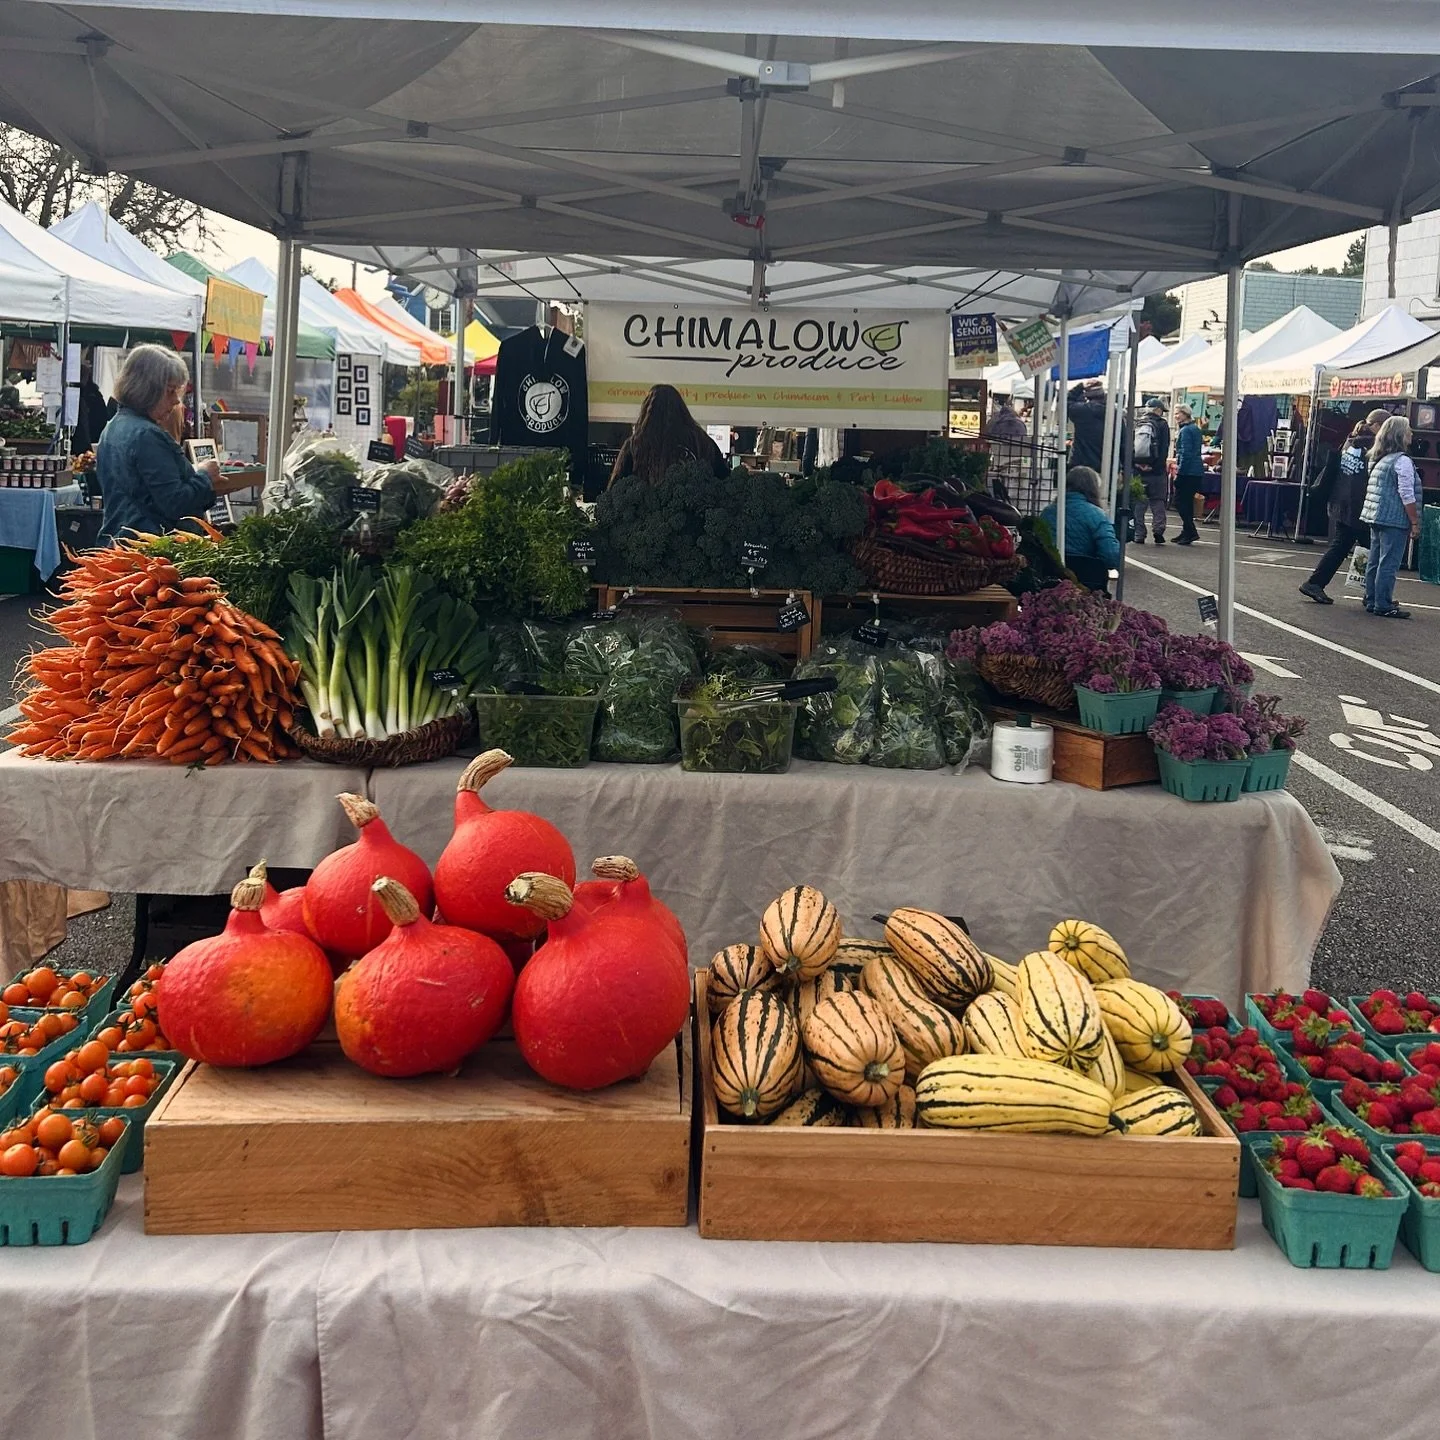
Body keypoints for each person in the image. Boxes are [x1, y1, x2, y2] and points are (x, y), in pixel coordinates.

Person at [95, 345, 243, 543]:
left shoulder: (113, 427)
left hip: (119, 540)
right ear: (146, 389)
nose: (176, 401)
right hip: (152, 550)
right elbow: (175, 503)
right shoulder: (147, 436)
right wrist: (205, 477)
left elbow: (148, 490)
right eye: (170, 391)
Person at [1299, 408, 1388, 605]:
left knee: (1344, 546)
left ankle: (1317, 583)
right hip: (1359, 505)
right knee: (1368, 550)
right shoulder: (1372, 446)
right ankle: (1369, 594)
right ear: (1378, 426)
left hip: (1342, 501)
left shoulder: (1351, 440)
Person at [1359, 414, 1421, 619]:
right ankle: (1383, 603)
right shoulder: (1402, 461)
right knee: (1389, 563)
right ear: (1400, 435)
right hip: (1393, 518)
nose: (1412, 433)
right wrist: (1414, 521)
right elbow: (1406, 493)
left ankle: (1372, 598)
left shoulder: (1380, 459)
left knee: (1375, 560)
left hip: (1375, 515)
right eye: (1408, 430)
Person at [609, 383, 728, 486]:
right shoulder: (703, 442)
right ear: (682, 410)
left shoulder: (635, 445)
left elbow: (615, 489)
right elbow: (725, 480)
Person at [1040, 465, 1120, 592]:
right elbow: (1111, 556)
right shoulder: (1097, 515)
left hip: (1048, 580)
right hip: (1088, 583)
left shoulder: (1047, 513)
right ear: (1094, 489)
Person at [1131, 397, 1171, 545]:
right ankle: (1158, 530)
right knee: (1157, 501)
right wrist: (1156, 466)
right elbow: (1164, 449)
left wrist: (1136, 465)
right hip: (1156, 472)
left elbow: (1130, 447)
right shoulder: (1162, 425)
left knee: (1139, 503)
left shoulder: (1137, 423)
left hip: (1138, 470)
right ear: (1157, 410)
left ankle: (1139, 533)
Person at [1171, 404, 1205, 544]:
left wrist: (1180, 472)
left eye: (1178, 413)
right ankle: (1186, 532)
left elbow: (1186, 453)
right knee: (1187, 503)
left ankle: (1191, 531)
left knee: (1180, 502)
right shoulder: (1195, 429)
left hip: (1188, 471)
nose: (1176, 416)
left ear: (1185, 414)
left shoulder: (1185, 431)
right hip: (1196, 471)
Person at [986, 396, 1028, 500]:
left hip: (999, 457)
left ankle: (1000, 495)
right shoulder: (1020, 424)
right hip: (1017, 458)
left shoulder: (994, 422)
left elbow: (988, 438)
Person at [1066, 382, 1108, 470]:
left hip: (1081, 464)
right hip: (1107, 466)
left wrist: (1080, 386)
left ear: (1087, 396)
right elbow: (1124, 442)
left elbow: (1066, 402)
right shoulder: (1115, 413)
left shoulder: (1081, 411)